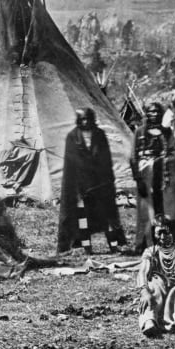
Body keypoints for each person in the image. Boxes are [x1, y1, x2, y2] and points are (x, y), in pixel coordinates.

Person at [58, 108, 127, 254]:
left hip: (99, 183)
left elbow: (106, 159)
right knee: (83, 217)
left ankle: (114, 246)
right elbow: (71, 164)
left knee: (107, 216)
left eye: (88, 119)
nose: (86, 122)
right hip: (81, 185)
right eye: (83, 119)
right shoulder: (73, 137)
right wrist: (77, 188)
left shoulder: (99, 134)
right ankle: (87, 247)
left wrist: (107, 181)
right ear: (78, 120)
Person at [130, 101, 175, 254]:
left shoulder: (167, 132)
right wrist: (138, 179)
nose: (154, 114)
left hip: (162, 174)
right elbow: (133, 157)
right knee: (145, 210)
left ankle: (162, 241)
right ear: (147, 114)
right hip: (145, 175)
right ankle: (143, 244)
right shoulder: (140, 132)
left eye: (157, 111)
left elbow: (174, 151)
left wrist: (165, 162)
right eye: (151, 111)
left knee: (162, 209)